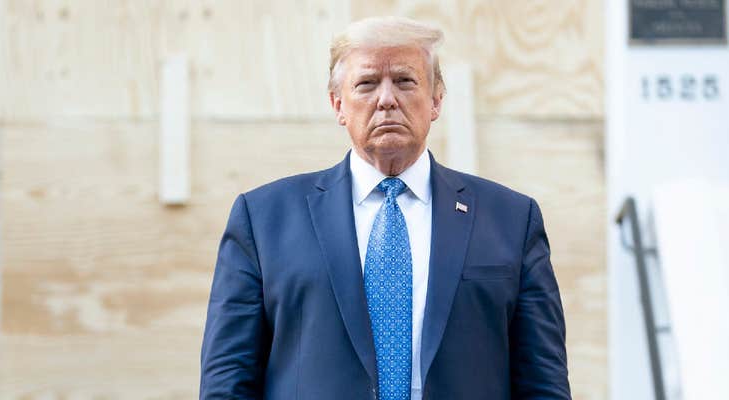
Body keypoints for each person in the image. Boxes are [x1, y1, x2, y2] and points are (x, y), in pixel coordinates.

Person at [200, 16, 570, 400]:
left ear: (436, 100)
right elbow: (227, 381)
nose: (387, 99)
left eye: (405, 81)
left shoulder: (511, 219)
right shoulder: (263, 220)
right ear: (338, 105)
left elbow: (543, 383)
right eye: (367, 83)